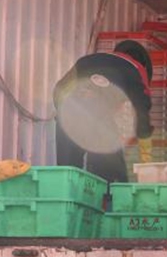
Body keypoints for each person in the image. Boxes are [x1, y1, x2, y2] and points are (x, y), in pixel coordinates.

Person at [52, 40, 155, 183]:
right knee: (112, 179)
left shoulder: (87, 60)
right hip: (99, 124)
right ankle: (108, 201)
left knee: (68, 178)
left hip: (67, 120)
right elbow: (142, 114)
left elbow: (59, 89)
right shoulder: (137, 69)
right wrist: (146, 158)